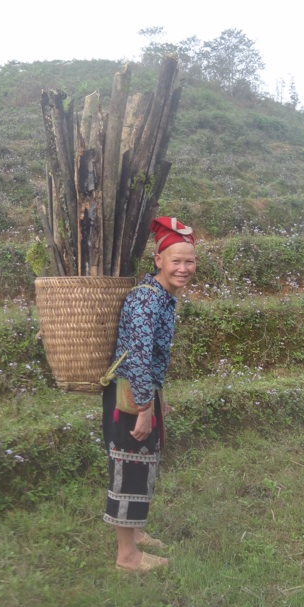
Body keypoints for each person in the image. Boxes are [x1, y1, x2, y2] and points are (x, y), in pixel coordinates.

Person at [101, 216, 197, 572]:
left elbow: (149, 359)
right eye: (177, 260)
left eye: (190, 261)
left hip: (140, 391)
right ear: (159, 260)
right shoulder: (146, 301)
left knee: (139, 463)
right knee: (131, 466)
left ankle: (135, 533)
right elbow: (139, 355)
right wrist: (144, 407)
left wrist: (157, 397)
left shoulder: (161, 297)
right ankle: (127, 557)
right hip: (129, 397)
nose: (184, 268)